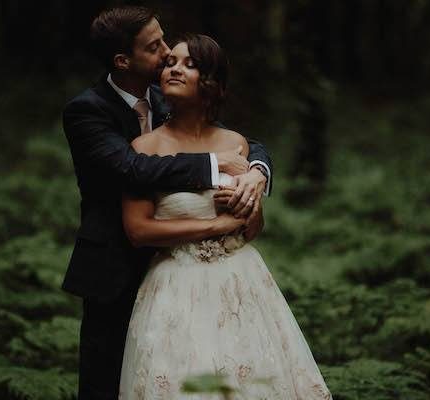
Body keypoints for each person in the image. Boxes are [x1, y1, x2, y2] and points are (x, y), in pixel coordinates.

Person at [61, 6, 273, 400]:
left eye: (164, 40)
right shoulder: (87, 111)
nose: (166, 53)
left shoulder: (169, 95)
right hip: (117, 265)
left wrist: (257, 171)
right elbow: (133, 167)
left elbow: (242, 144)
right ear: (123, 60)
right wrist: (213, 167)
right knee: (111, 381)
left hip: (197, 272)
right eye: (155, 46)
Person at [118, 34, 331, 400]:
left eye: (189, 64)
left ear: (210, 81)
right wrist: (215, 225)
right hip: (175, 286)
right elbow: (139, 229)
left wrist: (251, 201)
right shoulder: (144, 148)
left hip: (240, 279)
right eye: (170, 63)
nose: (175, 69)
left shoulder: (237, 144)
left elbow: (251, 230)